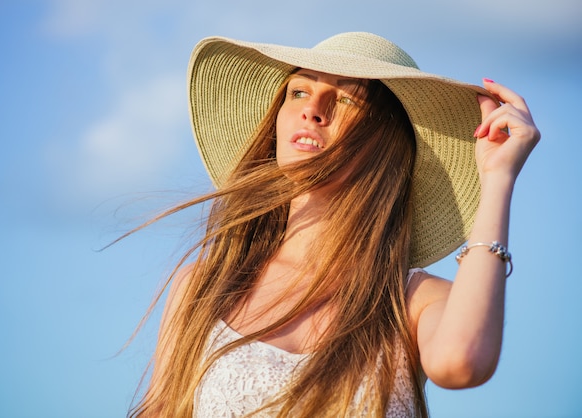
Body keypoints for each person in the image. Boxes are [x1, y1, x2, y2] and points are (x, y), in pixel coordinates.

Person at [126, 32, 540, 417]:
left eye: (346, 100)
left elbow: (462, 363)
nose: (312, 110)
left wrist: (497, 179)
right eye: (299, 91)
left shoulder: (412, 301)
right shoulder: (204, 285)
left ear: (387, 141)